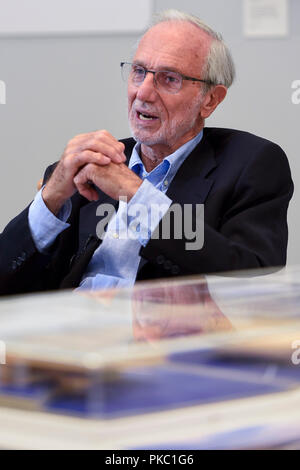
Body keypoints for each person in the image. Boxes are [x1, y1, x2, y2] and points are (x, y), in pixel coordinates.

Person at [0, 9, 293, 296]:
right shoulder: (95, 165)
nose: (143, 92)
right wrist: (49, 200)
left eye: (169, 79)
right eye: (139, 72)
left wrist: (137, 195)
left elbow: (251, 278)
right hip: (70, 334)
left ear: (210, 100)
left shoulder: (251, 165)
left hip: (161, 339)